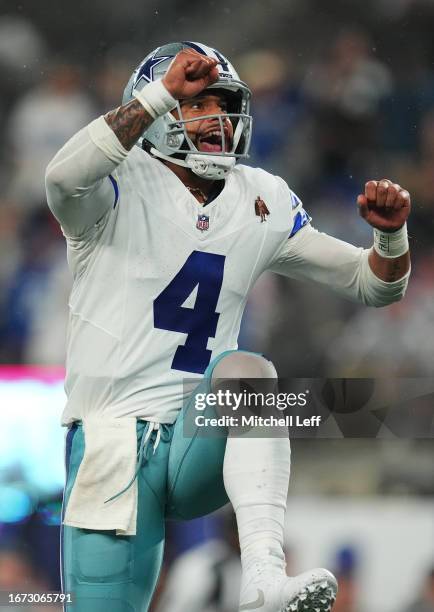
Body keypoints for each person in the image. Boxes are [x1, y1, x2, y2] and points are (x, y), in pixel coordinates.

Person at [45, 42, 411, 612]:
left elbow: (375, 285)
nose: (216, 118)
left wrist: (391, 238)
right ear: (161, 109)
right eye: (196, 103)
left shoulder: (259, 197)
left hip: (199, 440)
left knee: (250, 372)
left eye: (223, 103)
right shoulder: (118, 182)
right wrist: (164, 89)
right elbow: (62, 179)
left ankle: (264, 577)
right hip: (111, 441)